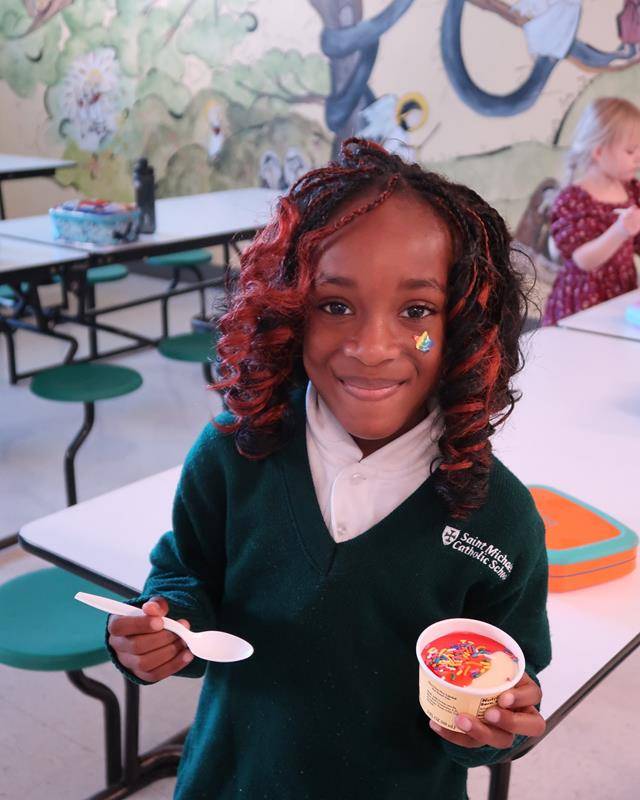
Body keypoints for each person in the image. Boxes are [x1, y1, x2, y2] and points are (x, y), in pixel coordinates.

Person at [107, 139, 551, 800]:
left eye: (417, 312)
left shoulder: (497, 514)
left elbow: (515, 676)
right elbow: (184, 573)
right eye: (335, 305)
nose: (371, 348)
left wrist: (503, 723)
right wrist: (162, 630)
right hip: (234, 782)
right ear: (289, 310)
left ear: (463, 323)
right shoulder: (236, 453)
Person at [543, 97, 640, 325]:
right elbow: (584, 260)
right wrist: (620, 230)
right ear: (599, 152)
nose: (638, 159)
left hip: (620, 295)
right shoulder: (574, 200)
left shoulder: (631, 191)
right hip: (582, 302)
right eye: (630, 151)